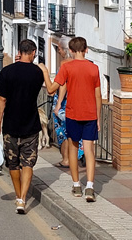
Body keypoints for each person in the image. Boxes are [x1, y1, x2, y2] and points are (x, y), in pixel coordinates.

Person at [40, 36, 101, 202]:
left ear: (71, 51)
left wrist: (45, 72)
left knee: (73, 149)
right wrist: (98, 118)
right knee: (89, 150)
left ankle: (76, 185)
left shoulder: (66, 67)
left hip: (73, 113)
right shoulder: (94, 68)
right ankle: (90, 187)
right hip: (90, 114)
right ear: (86, 49)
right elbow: (98, 95)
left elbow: (51, 89)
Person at [0, 39, 44, 214]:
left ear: (19, 52)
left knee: (13, 164)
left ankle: (18, 196)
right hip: (31, 124)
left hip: (10, 126)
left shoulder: (7, 71)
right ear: (34, 52)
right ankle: (23, 199)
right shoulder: (38, 72)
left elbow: (1, 99)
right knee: (28, 163)